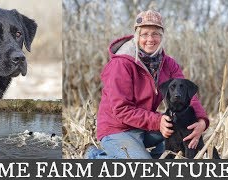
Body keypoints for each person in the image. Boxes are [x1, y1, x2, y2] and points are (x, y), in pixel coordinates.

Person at [84, 10, 209, 159]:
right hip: (117, 129)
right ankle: (95, 156)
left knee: (179, 144)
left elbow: (188, 94)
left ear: (162, 36)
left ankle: (154, 155)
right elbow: (122, 109)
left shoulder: (168, 64)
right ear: (137, 36)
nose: (150, 39)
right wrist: (157, 121)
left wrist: (201, 121)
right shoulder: (121, 64)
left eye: (155, 33)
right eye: (144, 34)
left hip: (145, 126)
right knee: (144, 169)